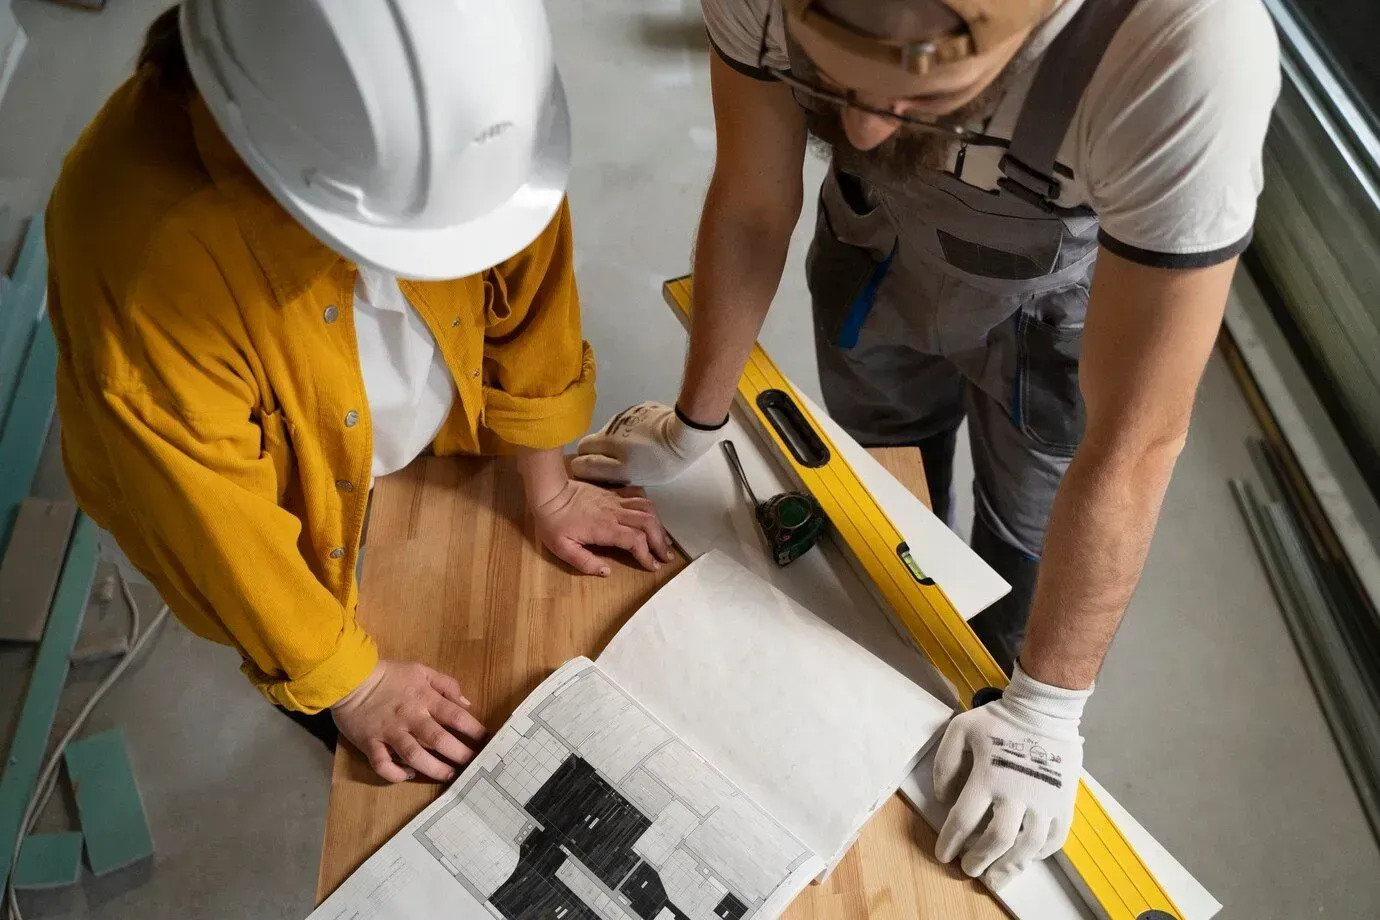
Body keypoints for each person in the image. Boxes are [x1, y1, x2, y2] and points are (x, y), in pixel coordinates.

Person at [575, 0, 1279, 891]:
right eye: (827, 77)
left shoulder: (1185, 48)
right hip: (878, 251)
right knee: (883, 480)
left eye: (919, 94)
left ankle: (996, 660)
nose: (862, 127)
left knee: (1022, 533)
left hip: (1060, 314)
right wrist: (699, 422)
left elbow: (1137, 438)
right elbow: (753, 204)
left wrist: (1045, 709)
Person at [45, 0, 673, 786]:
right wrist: (354, 684)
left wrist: (546, 490)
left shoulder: (472, 112)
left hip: (391, 415)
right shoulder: (144, 265)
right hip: (238, 490)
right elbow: (216, 526)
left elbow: (529, 283)